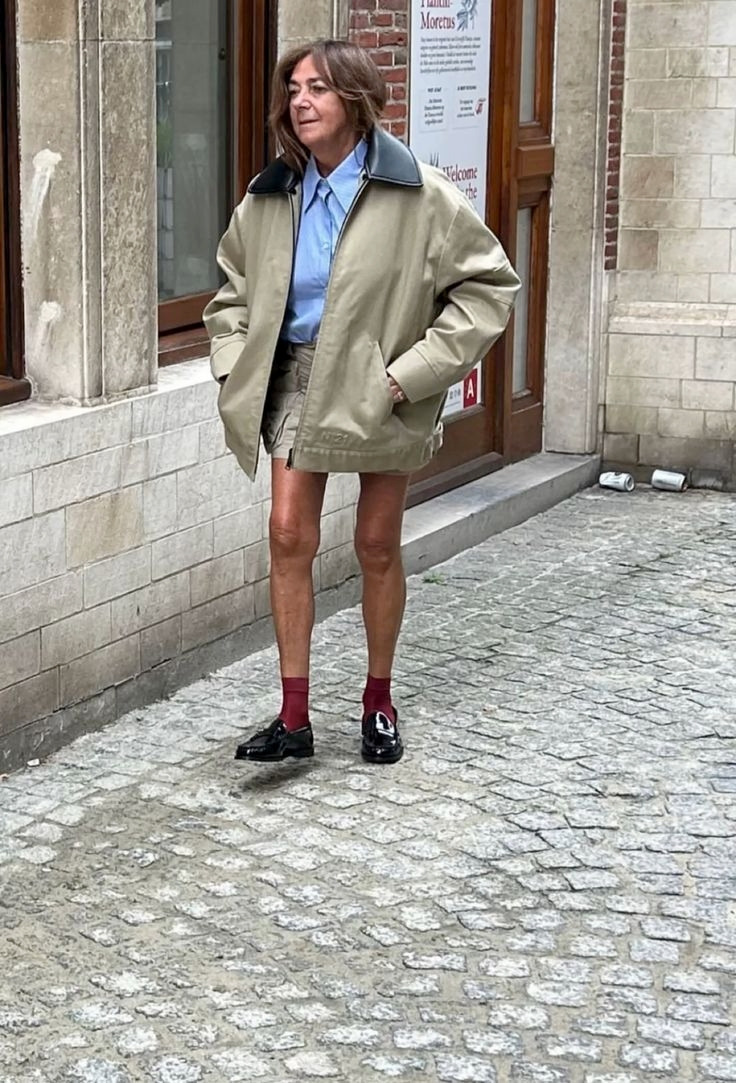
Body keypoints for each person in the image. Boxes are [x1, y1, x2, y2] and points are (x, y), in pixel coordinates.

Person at [204, 39, 520, 767]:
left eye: (317, 87)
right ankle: (293, 717)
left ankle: (379, 700)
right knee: (288, 533)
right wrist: (234, 365)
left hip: (383, 384)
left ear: (356, 98)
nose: (300, 101)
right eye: (293, 88)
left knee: (376, 544)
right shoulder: (269, 195)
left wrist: (410, 375)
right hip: (297, 376)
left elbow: (489, 287)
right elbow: (231, 293)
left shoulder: (420, 194)